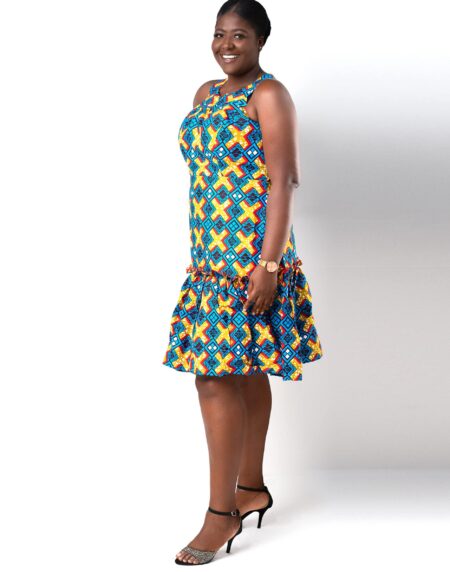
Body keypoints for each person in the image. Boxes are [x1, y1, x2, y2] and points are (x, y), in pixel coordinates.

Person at [162, 0, 324, 565]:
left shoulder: (268, 95)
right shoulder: (205, 95)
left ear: (260, 41)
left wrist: (269, 266)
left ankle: (221, 514)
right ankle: (250, 487)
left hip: (251, 261)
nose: (226, 45)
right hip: (208, 260)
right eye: (219, 34)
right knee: (243, 371)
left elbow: (284, 181)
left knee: (213, 379)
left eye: (239, 35)